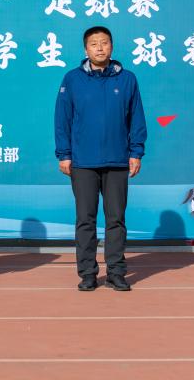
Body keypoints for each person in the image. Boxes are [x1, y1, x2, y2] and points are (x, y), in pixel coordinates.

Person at [55, 26, 146, 292]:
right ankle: (87, 273)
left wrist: (136, 152)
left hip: (117, 161)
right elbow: (62, 119)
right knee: (86, 219)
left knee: (116, 219)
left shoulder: (127, 79)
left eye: (104, 43)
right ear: (86, 49)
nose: (99, 48)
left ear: (112, 47)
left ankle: (116, 272)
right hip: (83, 162)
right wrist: (64, 154)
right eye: (94, 44)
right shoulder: (72, 79)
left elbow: (136, 118)